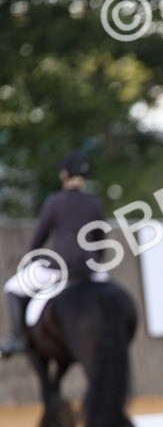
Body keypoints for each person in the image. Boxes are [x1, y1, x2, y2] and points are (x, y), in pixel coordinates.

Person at [0, 151, 107, 357]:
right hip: (89, 269)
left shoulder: (55, 201)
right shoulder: (94, 203)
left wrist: (33, 257)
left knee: (12, 288)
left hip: (59, 268)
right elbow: (101, 240)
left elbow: (38, 238)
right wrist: (96, 264)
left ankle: (18, 338)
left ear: (64, 175)